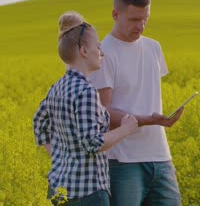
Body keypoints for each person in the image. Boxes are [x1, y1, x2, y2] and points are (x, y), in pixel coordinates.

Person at [89, 0, 184, 206]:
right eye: (134, 19)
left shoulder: (154, 48)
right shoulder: (103, 54)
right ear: (115, 14)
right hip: (123, 161)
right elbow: (102, 113)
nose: (141, 26)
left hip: (160, 157)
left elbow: (145, 95)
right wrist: (147, 120)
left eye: (145, 19)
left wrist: (161, 119)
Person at [33, 11, 140, 205]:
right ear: (83, 51)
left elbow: (38, 122)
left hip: (61, 190)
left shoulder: (57, 87)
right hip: (88, 193)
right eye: (98, 47)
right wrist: (127, 129)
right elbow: (93, 143)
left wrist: (58, 156)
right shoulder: (86, 91)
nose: (102, 53)